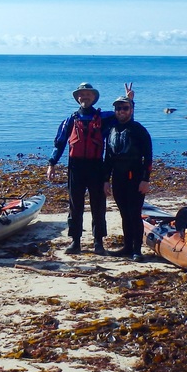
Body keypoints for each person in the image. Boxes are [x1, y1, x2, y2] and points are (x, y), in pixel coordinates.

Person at [47, 81, 133, 255]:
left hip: (96, 166)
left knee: (98, 205)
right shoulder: (70, 120)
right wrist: (52, 164)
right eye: (82, 94)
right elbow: (60, 143)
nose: (84, 97)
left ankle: (98, 242)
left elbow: (126, 119)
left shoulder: (105, 118)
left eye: (88, 94)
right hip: (75, 167)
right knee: (75, 205)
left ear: (93, 97)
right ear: (78, 98)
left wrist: (129, 101)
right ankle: (75, 241)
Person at [103, 96, 152, 260]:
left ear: (131, 110)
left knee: (134, 213)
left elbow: (148, 157)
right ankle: (127, 247)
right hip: (118, 178)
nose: (121, 111)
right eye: (118, 109)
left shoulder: (139, 130)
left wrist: (145, 180)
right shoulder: (112, 130)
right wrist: (106, 180)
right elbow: (108, 158)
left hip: (135, 178)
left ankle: (137, 250)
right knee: (124, 213)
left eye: (125, 108)